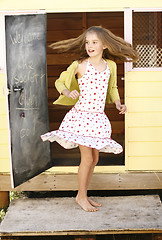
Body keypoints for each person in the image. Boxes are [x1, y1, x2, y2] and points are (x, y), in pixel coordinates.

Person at [41, 26, 138, 212]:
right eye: (87, 42)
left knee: (94, 158)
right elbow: (59, 82)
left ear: (105, 46)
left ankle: (83, 194)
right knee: (86, 159)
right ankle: (81, 197)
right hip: (81, 118)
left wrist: (118, 103)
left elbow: (112, 88)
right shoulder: (80, 65)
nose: (90, 46)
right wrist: (68, 92)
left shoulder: (110, 66)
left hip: (97, 118)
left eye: (94, 42)